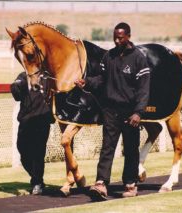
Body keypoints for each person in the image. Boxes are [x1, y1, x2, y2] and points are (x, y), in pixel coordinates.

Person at [75, 22, 151, 200]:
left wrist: (139, 112)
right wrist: (87, 82)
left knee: (131, 149)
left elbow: (144, 89)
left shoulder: (139, 58)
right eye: (115, 37)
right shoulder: (109, 56)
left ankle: (131, 185)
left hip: (131, 112)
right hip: (110, 110)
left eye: (121, 37)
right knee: (107, 147)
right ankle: (101, 183)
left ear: (128, 36)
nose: (117, 41)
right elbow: (102, 79)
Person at [10, 72, 54, 195]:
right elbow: (16, 94)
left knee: (38, 153)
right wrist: (24, 83)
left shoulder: (49, 77)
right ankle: (37, 178)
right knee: (22, 150)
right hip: (25, 121)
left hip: (42, 120)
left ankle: (37, 182)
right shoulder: (23, 76)